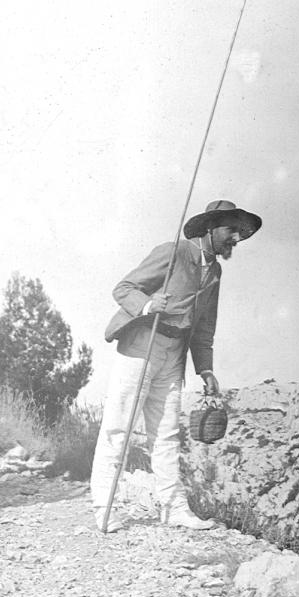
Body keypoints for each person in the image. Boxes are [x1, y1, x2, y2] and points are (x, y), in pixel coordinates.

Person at [89, 199, 262, 532]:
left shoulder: (215, 271)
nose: (236, 238)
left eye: (240, 232)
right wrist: (150, 303)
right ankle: (104, 507)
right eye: (231, 230)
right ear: (210, 228)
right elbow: (124, 288)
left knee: (167, 434)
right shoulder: (173, 252)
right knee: (118, 428)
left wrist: (206, 369)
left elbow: (205, 326)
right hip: (143, 344)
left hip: (175, 355)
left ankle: (173, 508)